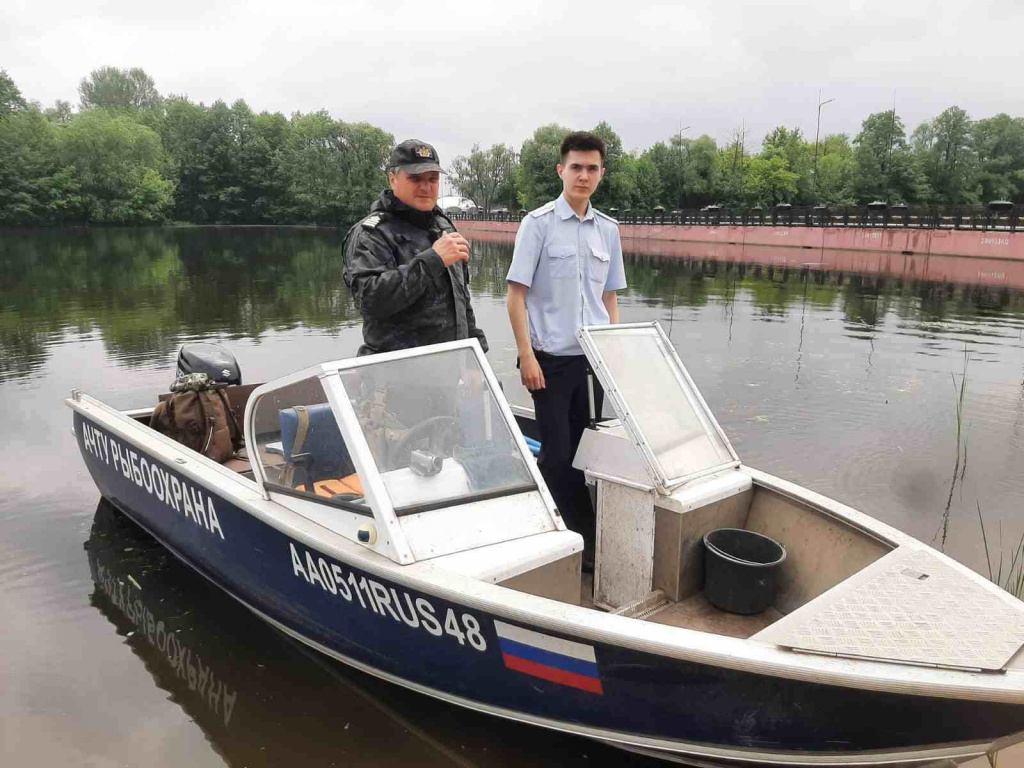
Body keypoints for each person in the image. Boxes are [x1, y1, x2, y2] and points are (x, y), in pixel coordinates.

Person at [505, 131, 627, 568]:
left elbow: (609, 298)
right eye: (576, 166)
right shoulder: (537, 224)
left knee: (584, 452)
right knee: (558, 453)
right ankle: (583, 542)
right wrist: (527, 356)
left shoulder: (609, 231)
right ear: (561, 170)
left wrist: (615, 353)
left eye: (592, 168)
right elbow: (516, 295)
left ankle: (572, 527)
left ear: (601, 174)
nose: (584, 175)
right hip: (549, 360)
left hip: (592, 361)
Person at [343, 139, 488, 357]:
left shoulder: (443, 226)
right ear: (393, 179)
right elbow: (370, 300)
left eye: (432, 179)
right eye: (415, 178)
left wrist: (476, 355)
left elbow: (461, 299)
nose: (425, 187)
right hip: (396, 375)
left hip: (449, 370)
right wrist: (433, 260)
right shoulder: (373, 232)